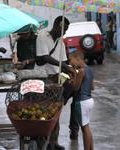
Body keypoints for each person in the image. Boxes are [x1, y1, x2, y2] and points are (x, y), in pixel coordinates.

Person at [35, 16, 73, 150]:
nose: (65, 32)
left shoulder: (61, 43)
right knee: (43, 112)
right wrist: (64, 66)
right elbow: (45, 56)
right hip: (43, 79)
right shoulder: (42, 36)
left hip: (56, 79)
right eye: (64, 29)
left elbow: (64, 63)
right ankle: (42, 143)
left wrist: (69, 72)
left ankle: (54, 143)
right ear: (58, 25)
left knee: (56, 112)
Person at [69, 51, 94, 150]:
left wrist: (73, 77)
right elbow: (92, 87)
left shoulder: (81, 71)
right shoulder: (89, 70)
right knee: (87, 127)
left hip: (82, 101)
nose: (70, 63)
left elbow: (75, 88)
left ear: (77, 58)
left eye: (71, 60)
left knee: (84, 128)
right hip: (89, 100)